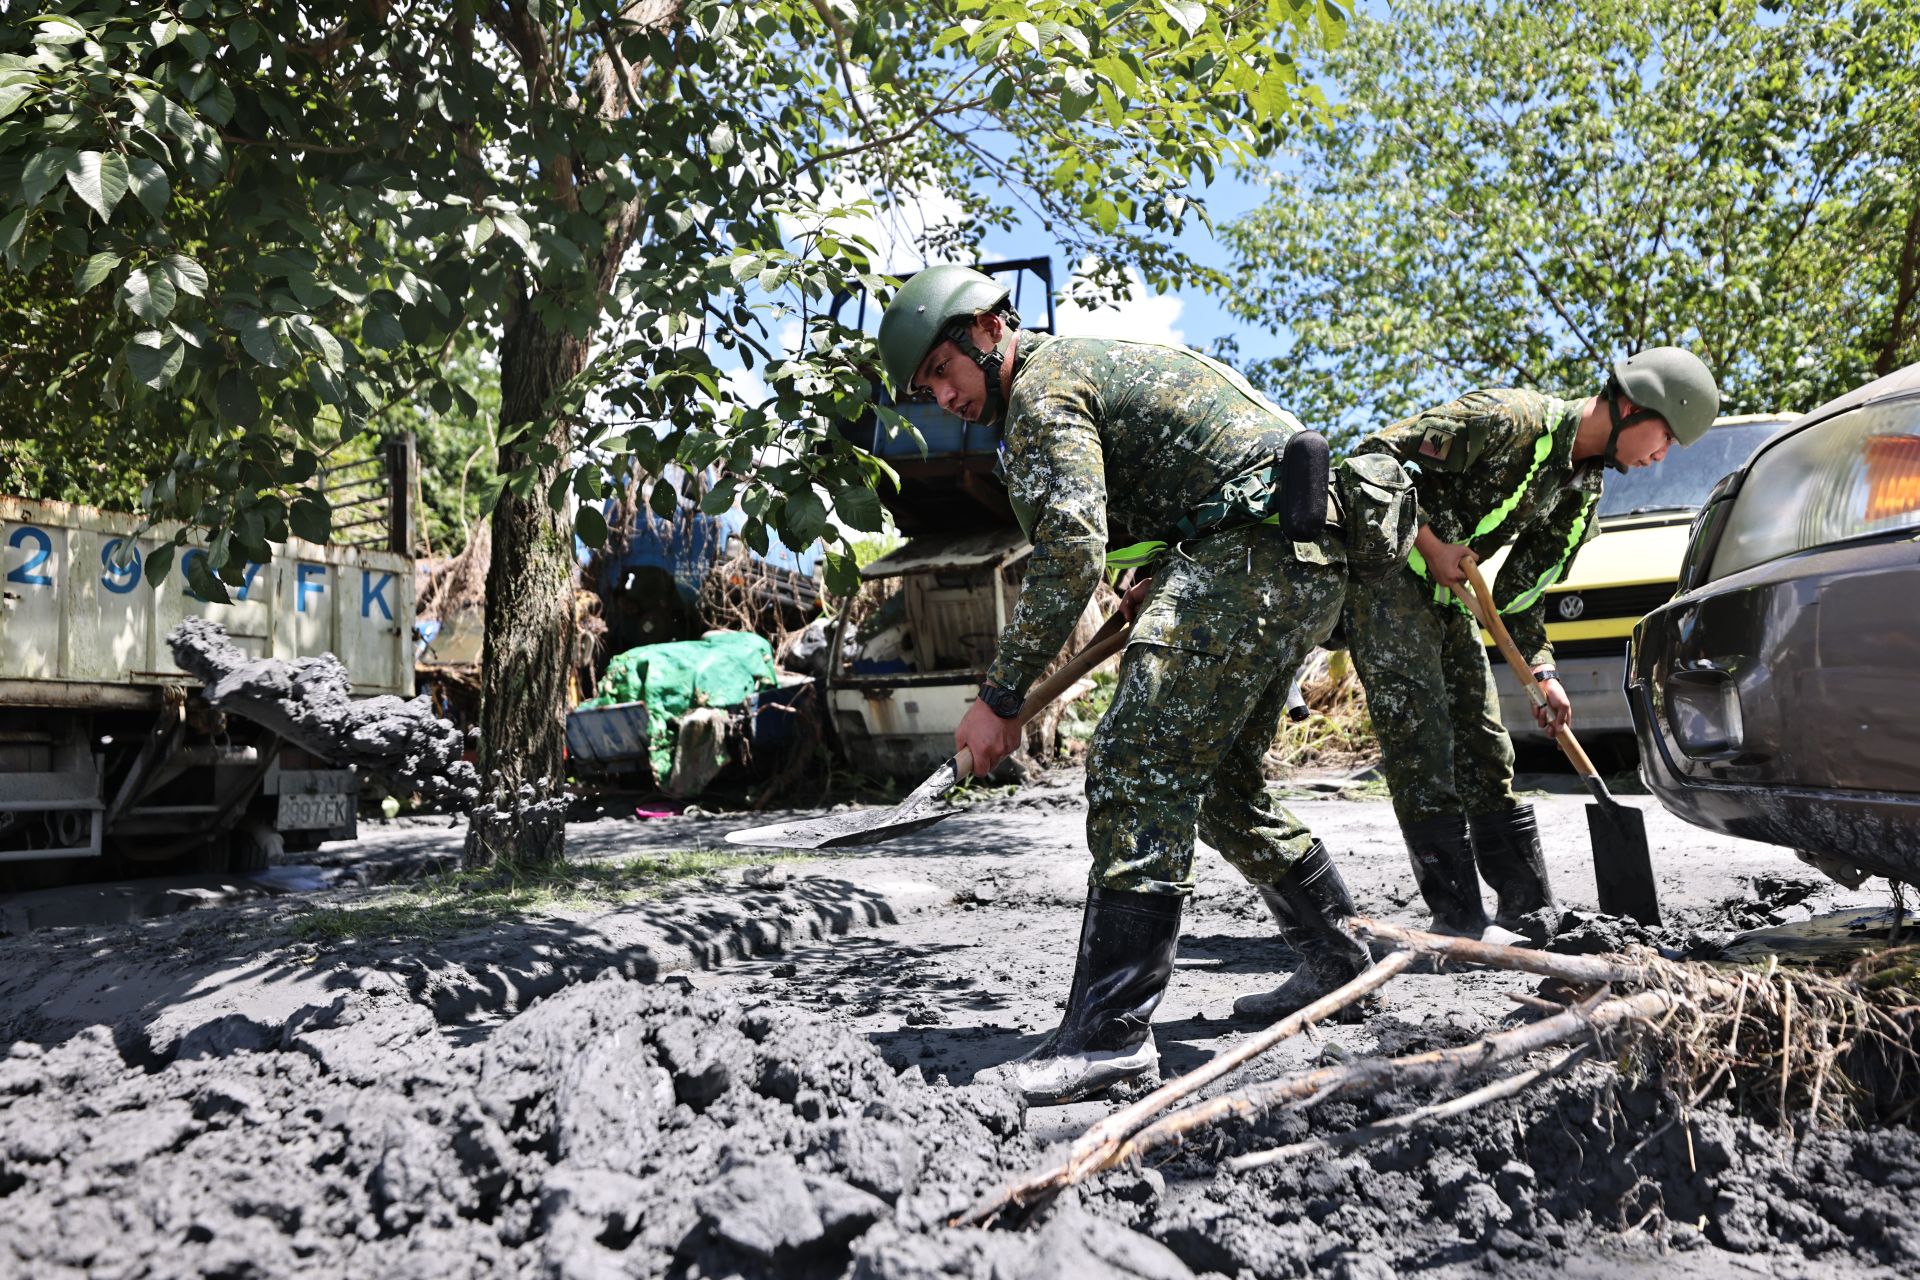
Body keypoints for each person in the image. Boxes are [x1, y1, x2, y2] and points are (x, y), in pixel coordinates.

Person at [875, 264, 1417, 1103]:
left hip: (1256, 551)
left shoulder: (1043, 393)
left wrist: (1001, 696)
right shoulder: (1080, 365)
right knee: (1225, 790)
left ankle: (1109, 1040)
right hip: (1296, 555)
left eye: (941, 372)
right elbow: (1194, 473)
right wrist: (1164, 565)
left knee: (1133, 765)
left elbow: (1070, 552)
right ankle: (1339, 956)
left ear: (986, 330)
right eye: (925, 390)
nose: (941, 396)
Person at [1344, 349, 1721, 945]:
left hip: (1448, 600)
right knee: (1422, 743)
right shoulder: (1510, 418)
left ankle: (1529, 912)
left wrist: (1544, 674)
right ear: (1629, 405)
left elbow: (1521, 597)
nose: (1660, 455)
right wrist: (1430, 543)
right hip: (1387, 582)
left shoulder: (1580, 492)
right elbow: (1369, 462)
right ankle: (1459, 919)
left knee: (1487, 749)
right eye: (1666, 437)